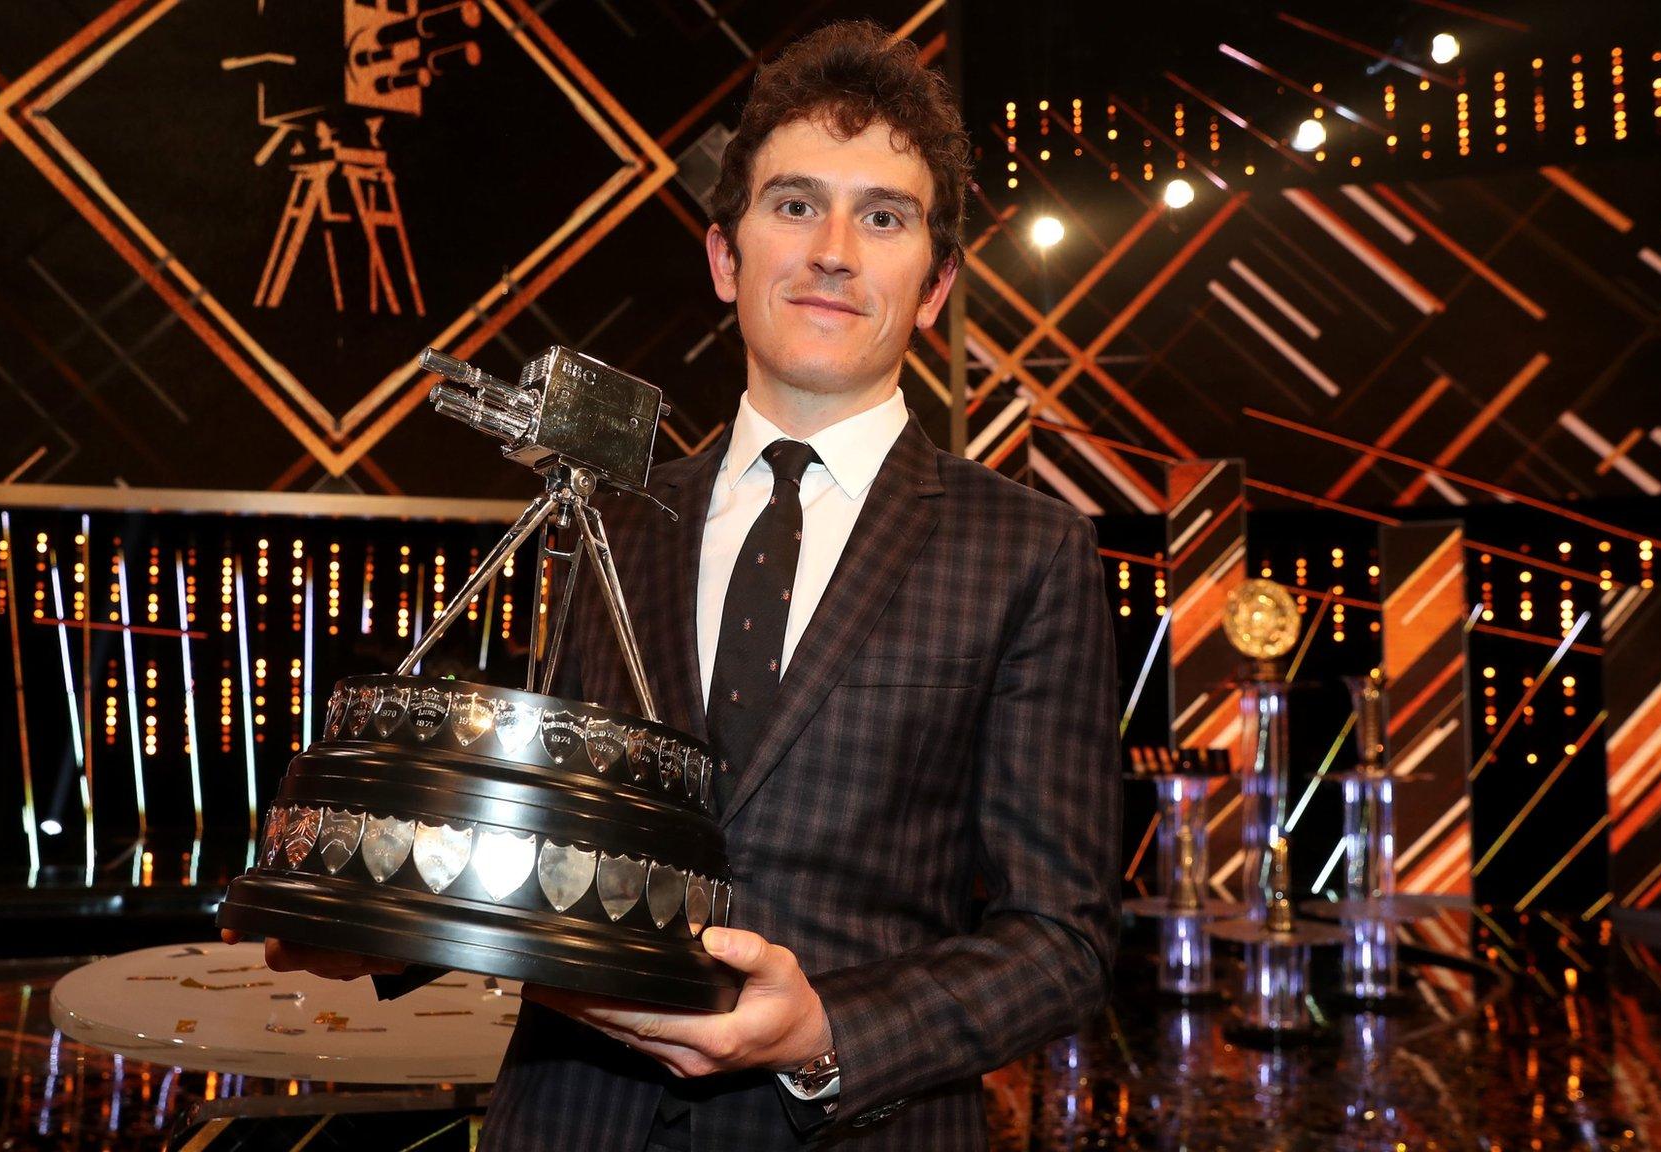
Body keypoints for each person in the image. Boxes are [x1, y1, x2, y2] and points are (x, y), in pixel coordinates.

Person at [237, 20, 1120, 1149]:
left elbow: (1064, 941)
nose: (835, 249)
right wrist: (386, 918)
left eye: (883, 216)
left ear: (936, 282)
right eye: (794, 205)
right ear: (725, 257)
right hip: (568, 1120)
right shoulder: (613, 518)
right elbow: (553, 838)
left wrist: (826, 1030)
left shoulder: (1027, 552)